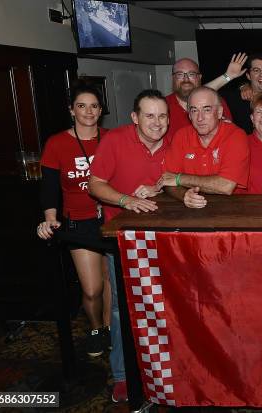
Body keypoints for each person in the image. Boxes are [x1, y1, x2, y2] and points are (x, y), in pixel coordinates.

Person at [89, 89, 171, 403]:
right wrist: (127, 200)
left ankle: (165, 371)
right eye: (149, 115)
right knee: (123, 311)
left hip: (166, 240)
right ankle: (123, 376)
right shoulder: (115, 140)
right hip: (126, 239)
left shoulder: (175, 142)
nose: (157, 122)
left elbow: (186, 182)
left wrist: (159, 188)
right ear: (135, 118)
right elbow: (95, 184)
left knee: (166, 308)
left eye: (162, 115)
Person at [37, 84, 110, 358]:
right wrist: (50, 219)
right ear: (71, 110)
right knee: (93, 288)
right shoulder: (57, 143)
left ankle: (110, 330)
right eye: (81, 105)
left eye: (94, 106)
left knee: (112, 284)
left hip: (111, 219)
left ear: (101, 111)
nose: (88, 111)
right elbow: (49, 187)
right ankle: (95, 328)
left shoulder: (112, 138)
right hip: (79, 222)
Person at [158, 86, 250, 205]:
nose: (200, 118)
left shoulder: (236, 135)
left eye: (207, 110)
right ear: (189, 115)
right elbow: (167, 180)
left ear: (219, 112)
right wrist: (184, 195)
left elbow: (226, 185)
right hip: (190, 211)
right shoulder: (181, 136)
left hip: (231, 210)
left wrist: (179, 178)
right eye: (194, 110)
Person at [166, 54, 247, 138]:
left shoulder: (216, 102)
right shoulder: (163, 107)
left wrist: (228, 76)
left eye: (191, 74)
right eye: (180, 74)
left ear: (200, 77)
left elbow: (230, 137)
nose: (186, 79)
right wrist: (227, 76)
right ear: (173, 78)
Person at [222, 54, 262, 134]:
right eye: (256, 70)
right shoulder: (236, 98)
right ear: (248, 76)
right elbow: (203, 93)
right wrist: (228, 76)